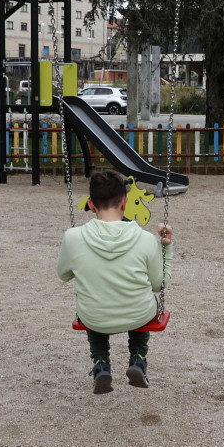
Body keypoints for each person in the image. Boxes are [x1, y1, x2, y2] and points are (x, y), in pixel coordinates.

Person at [57, 168, 173, 394]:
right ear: (125, 203)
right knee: (142, 298)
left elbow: (63, 275)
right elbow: (159, 284)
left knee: (95, 300)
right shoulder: (147, 240)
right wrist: (166, 248)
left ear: (91, 204)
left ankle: (101, 364)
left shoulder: (73, 237)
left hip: (94, 316)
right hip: (139, 314)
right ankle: (138, 359)